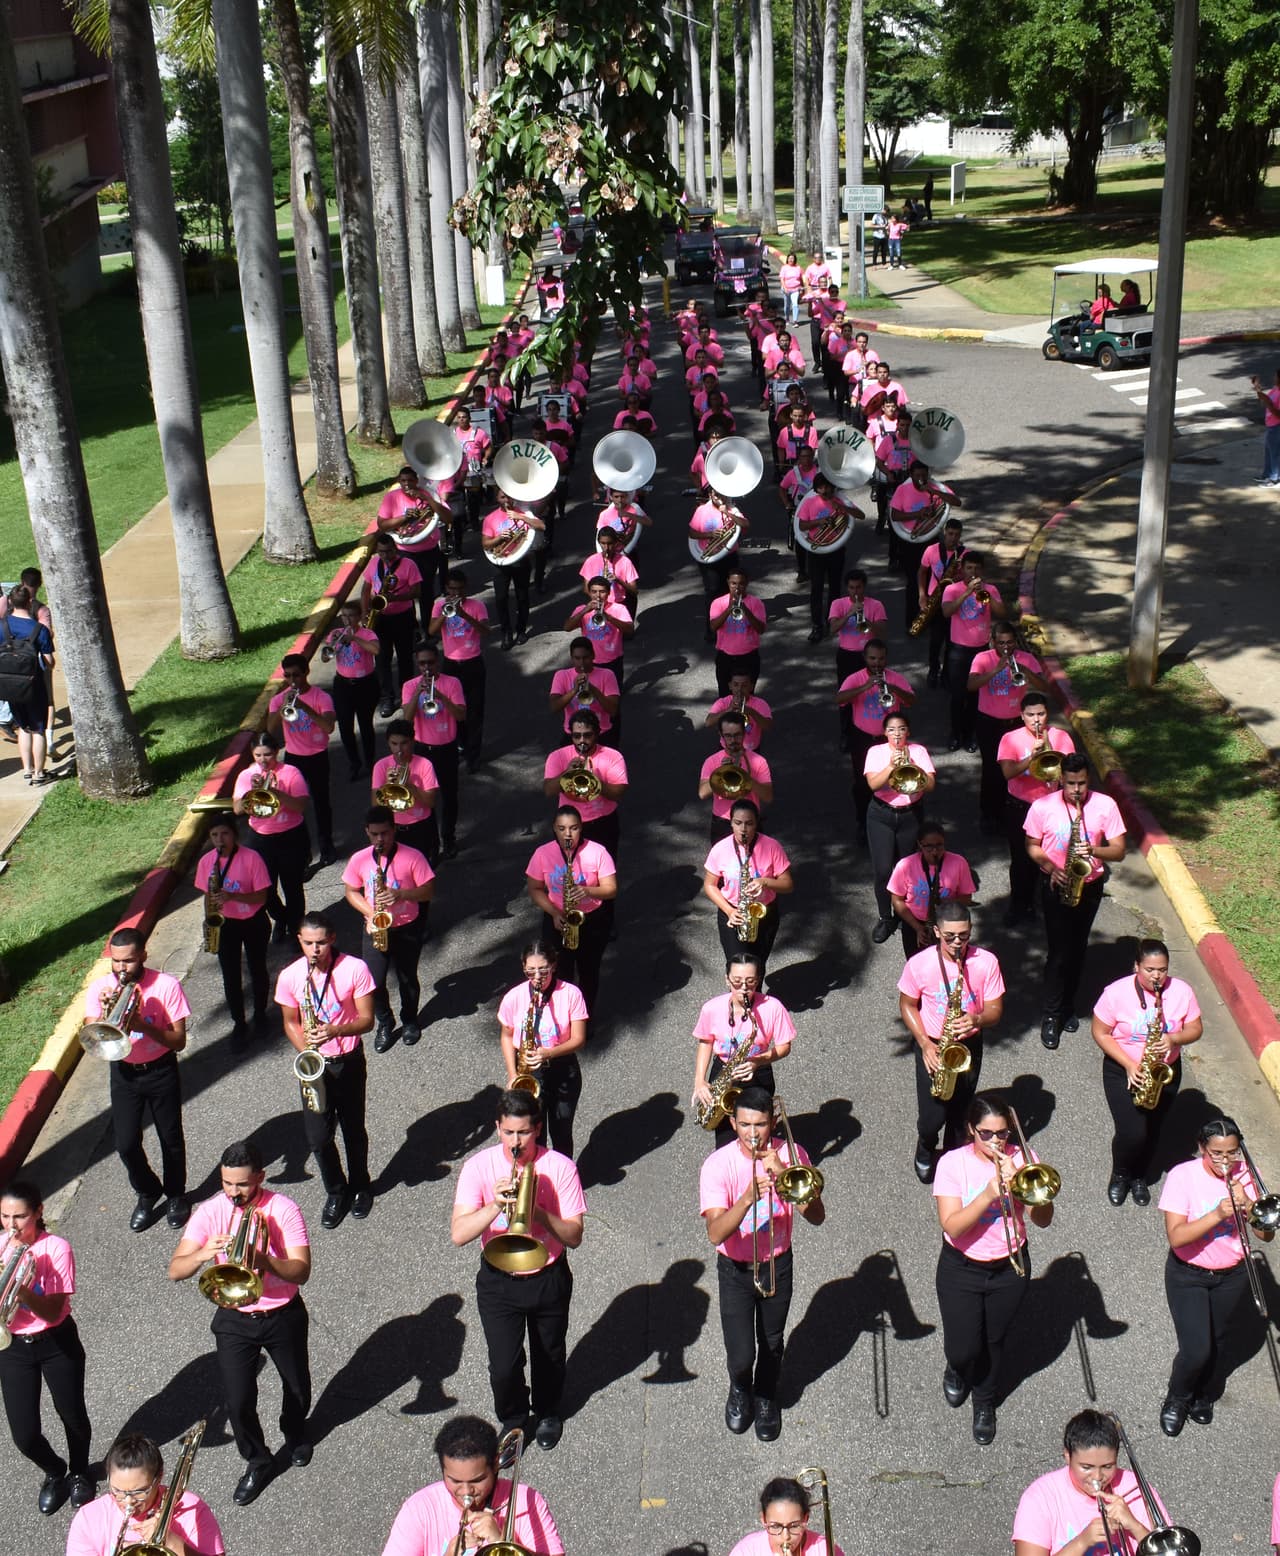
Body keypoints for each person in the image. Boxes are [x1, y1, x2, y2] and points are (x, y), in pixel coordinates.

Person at [168, 1141, 312, 1506]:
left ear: (260, 1177)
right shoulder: (210, 1210)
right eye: (227, 1184)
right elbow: (175, 1271)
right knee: (237, 1401)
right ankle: (258, 1460)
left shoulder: (283, 1210)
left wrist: (267, 1260)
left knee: (297, 1388)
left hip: (283, 1312)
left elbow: (302, 1271)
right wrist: (203, 1252)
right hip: (234, 1317)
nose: (234, 1193)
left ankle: (294, 1433)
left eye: (243, 1185)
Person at [451, 1090, 587, 1449]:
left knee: (550, 1354)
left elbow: (574, 1236)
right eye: (509, 1133)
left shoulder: (560, 1167)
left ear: (538, 1129)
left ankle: (547, 1412)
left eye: (524, 1133)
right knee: (504, 1366)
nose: (516, 1142)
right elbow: (458, 1234)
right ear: (497, 1129)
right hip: (499, 1279)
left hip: (548, 1274)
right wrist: (495, 1206)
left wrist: (539, 1213)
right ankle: (513, 1421)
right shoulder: (478, 1168)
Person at [700, 1086, 826, 1442]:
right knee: (741, 1354)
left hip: (777, 1262)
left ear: (772, 1122)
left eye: (760, 1125)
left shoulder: (793, 1153)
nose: (752, 1134)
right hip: (736, 1268)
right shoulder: (717, 1165)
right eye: (744, 1125)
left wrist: (786, 1174)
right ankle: (740, 1387)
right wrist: (745, 1199)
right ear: (732, 1122)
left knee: (771, 1342)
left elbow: (817, 1216)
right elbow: (715, 1233)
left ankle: (766, 1395)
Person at [933, 1092, 1052, 1445]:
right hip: (961, 1267)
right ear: (971, 1130)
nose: (996, 1142)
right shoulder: (952, 1164)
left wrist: (1027, 1192)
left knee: (993, 1340)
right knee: (963, 1347)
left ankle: (985, 1402)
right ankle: (957, 1367)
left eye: (1002, 1134)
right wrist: (988, 1194)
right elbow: (953, 1226)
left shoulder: (1024, 1161)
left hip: (1009, 1266)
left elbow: (1043, 1220)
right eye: (986, 1133)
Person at [1157, 1116, 1273, 1436]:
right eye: (1217, 1154)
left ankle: (1204, 1395)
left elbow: (1265, 1237)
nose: (1226, 1161)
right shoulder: (1183, 1176)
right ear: (1201, 1148)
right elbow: (1178, 1237)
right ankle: (1177, 1397)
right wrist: (1218, 1214)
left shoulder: (1247, 1175)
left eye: (1232, 1153)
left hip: (1232, 1275)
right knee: (1196, 1348)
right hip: (1188, 1274)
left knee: (1218, 1341)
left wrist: (1249, 1205)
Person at [84, 928, 191, 1232]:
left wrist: (142, 1023)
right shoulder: (100, 988)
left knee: (170, 1139)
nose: (121, 969)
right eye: (116, 961)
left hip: (160, 1070)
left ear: (143, 955)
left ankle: (175, 1195)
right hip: (124, 1072)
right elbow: (93, 1032)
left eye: (128, 961)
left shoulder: (166, 986)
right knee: (126, 1143)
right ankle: (147, 1191)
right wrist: (107, 1014)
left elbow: (179, 1041)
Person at [275, 913, 377, 1227]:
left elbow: (367, 1020)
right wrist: (306, 1051)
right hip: (315, 1066)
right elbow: (291, 1022)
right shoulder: (291, 976)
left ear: (332, 939)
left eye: (320, 942)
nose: (315, 949)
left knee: (353, 1130)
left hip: (348, 1060)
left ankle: (361, 1186)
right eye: (308, 943)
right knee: (318, 1138)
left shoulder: (354, 968)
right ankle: (336, 1191)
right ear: (300, 942)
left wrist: (334, 1031)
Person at [0, 1180, 94, 1515]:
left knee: (73, 1416)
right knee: (24, 1435)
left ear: (38, 1212)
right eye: (5, 1217)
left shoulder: (56, 1249)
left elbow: (53, 1312)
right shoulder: (1, 1246)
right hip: (13, 1346)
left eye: (20, 1217)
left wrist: (23, 1291)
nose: (12, 1226)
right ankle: (55, 1472)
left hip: (56, 1341)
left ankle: (80, 1472)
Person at [1024, 755, 1127, 1049]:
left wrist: (1094, 849)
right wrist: (1049, 867)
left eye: (1082, 783)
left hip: (1089, 886)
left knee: (1078, 950)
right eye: (1070, 784)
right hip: (1055, 884)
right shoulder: (1043, 807)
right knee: (1058, 954)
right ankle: (1051, 1015)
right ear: (1061, 781)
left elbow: (1118, 851)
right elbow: (1031, 845)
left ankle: (1068, 1006)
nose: (1076, 790)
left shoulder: (1105, 806)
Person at [1092, 939, 1203, 1207]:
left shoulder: (1181, 991)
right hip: (1123, 1070)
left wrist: (1174, 1038)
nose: (1156, 976)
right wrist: (1130, 1065)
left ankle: (1139, 1176)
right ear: (1136, 966)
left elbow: (1196, 1028)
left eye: (1162, 970)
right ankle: (1120, 1174)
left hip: (1164, 1070)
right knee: (1132, 1132)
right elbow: (1100, 1032)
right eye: (1150, 970)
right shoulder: (1116, 993)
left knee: (1153, 1128)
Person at [899, 905, 1004, 1181]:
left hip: (968, 1044)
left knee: (960, 1113)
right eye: (949, 937)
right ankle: (925, 1145)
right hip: (933, 1044)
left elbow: (995, 1009)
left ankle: (952, 1161)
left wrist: (977, 1019)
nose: (957, 943)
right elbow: (907, 1004)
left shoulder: (986, 962)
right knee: (932, 1117)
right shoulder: (919, 964)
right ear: (936, 931)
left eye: (964, 935)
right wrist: (924, 1043)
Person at [380, 1413, 563, 1556]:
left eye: (477, 1480)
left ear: (496, 1464)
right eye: (455, 1481)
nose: (466, 1492)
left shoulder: (528, 1500)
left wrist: (501, 1542)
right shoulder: (419, 1508)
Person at [342, 806, 435, 1053]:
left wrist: (401, 894)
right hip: (376, 926)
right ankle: (385, 1021)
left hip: (407, 926)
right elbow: (351, 891)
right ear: (367, 833)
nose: (380, 839)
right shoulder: (360, 859)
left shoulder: (412, 856)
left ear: (394, 830)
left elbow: (428, 890)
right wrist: (371, 913)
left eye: (385, 833)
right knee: (373, 981)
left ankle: (409, 1019)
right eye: (374, 834)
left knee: (407, 978)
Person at [1012, 1410, 1166, 1556]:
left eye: (1107, 1466)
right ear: (1067, 1455)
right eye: (1086, 1467)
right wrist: (1081, 1543)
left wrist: (1134, 1526)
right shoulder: (1040, 1497)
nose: (1097, 1477)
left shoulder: (1136, 1489)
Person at [691, 954, 795, 1147]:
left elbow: (784, 1047)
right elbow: (705, 1042)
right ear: (727, 979)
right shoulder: (711, 1008)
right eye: (737, 982)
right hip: (723, 1070)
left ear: (758, 980)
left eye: (750, 982)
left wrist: (757, 1061)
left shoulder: (773, 1007)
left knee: (757, 1138)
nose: (744, 989)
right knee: (724, 1139)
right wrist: (700, 1081)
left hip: (757, 1072)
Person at [498, 942, 589, 1159]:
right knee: (533, 1135)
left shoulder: (571, 994)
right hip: (529, 1071)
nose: (537, 976)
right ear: (523, 968)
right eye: (530, 971)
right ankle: (536, 1180)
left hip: (562, 1068)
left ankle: (564, 1177)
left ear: (554, 966)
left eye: (543, 970)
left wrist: (547, 1053)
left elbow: (579, 1039)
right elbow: (507, 1035)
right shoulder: (514, 997)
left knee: (562, 1132)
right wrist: (513, 1075)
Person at [68, 1430, 225, 1556]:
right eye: (118, 1491)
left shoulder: (193, 1510)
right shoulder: (88, 1518)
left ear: (159, 1477)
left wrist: (172, 1542)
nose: (128, 1502)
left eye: (139, 1492)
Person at [525, 809, 616, 1015]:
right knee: (558, 972)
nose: (568, 834)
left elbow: (611, 889)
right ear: (554, 830)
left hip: (592, 920)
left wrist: (586, 890)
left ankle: (585, 1018)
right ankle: (561, 1017)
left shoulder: (597, 851)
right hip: (557, 918)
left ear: (581, 828)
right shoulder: (543, 853)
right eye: (562, 829)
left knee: (588, 972)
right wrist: (555, 913)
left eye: (574, 828)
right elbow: (535, 888)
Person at [195, 812, 271, 1045]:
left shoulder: (251, 858)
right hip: (225, 924)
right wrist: (210, 920)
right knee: (230, 976)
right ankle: (239, 1022)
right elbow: (208, 895)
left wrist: (233, 895)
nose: (220, 839)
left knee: (257, 968)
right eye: (215, 835)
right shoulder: (207, 862)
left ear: (235, 834)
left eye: (225, 833)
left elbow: (262, 897)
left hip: (252, 920)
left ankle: (260, 1014)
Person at [967, 624, 1048, 834]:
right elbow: (971, 685)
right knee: (992, 770)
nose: (1006, 647)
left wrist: (1024, 670)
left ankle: (1007, 812)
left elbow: (1044, 686)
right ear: (993, 641)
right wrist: (995, 670)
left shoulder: (1026, 658)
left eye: (1010, 642)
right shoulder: (982, 658)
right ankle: (988, 813)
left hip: (1016, 725)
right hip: (989, 722)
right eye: (1001, 643)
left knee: (1015, 770)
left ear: (1015, 641)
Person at [865, 713, 936, 943]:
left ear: (908, 732)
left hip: (910, 815)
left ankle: (906, 913)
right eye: (892, 730)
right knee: (884, 870)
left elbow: (932, 785)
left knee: (908, 868)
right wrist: (891, 766)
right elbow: (873, 785)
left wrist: (912, 766)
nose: (897, 734)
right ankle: (886, 917)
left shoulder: (918, 751)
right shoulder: (875, 753)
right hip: (881, 814)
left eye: (902, 729)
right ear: (885, 733)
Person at [233, 731, 310, 941]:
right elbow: (238, 809)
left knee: (292, 887)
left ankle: (296, 931)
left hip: (291, 837)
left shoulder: (290, 772)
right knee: (264, 889)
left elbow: (301, 806)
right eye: (258, 755)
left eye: (267, 755)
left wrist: (278, 794)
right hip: (260, 839)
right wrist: (251, 792)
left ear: (276, 751)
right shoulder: (247, 776)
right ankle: (282, 917)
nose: (263, 760)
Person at [703, 799, 793, 978]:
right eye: (738, 823)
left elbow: (788, 884)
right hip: (733, 913)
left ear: (757, 823)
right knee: (737, 968)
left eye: (749, 823)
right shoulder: (720, 849)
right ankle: (737, 1004)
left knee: (756, 969)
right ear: (731, 822)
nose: (743, 829)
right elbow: (709, 885)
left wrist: (765, 882)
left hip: (764, 913)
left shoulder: (771, 846)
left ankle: (755, 1003)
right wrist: (729, 910)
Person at [836, 638, 915, 837]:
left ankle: (892, 821)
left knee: (892, 779)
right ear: (865, 658)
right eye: (872, 658)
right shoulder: (855, 678)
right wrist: (865, 687)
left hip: (888, 739)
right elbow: (839, 699)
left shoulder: (895, 677)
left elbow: (912, 701)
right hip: (862, 738)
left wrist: (893, 689)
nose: (876, 663)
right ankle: (863, 823)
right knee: (862, 783)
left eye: (880, 659)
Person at [268, 653, 337, 867]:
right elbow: (269, 729)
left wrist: (305, 708)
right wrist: (282, 709)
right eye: (287, 676)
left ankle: (327, 847)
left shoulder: (321, 697)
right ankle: (305, 851)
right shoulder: (279, 700)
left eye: (296, 675)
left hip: (317, 756)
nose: (292, 681)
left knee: (321, 804)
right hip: (293, 758)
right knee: (295, 807)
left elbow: (328, 727)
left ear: (306, 672)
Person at [400, 641, 466, 859]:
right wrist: (418, 694)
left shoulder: (452, 683)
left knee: (449, 797)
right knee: (425, 797)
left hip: (446, 748)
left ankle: (449, 838)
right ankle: (432, 843)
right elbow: (406, 719)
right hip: (421, 750)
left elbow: (461, 715)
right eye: (422, 664)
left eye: (430, 662)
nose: (426, 667)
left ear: (437, 661)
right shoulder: (410, 686)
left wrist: (441, 697)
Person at [542, 710, 628, 862]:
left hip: (603, 824)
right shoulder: (557, 756)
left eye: (587, 735)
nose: (582, 741)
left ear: (597, 733)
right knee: (570, 870)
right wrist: (567, 773)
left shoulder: (613, 756)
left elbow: (619, 793)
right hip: (569, 825)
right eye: (576, 736)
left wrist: (595, 781)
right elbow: (549, 791)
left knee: (604, 872)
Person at [428, 568, 489, 771]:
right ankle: (462, 743)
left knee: (474, 711)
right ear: (446, 588)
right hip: (450, 664)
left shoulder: (477, 606)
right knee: (453, 710)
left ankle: (474, 755)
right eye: (452, 589)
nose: (456, 594)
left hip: (473, 663)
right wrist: (445, 614)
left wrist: (465, 615)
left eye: (460, 590)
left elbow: (486, 631)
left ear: (466, 588)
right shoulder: (439, 606)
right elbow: (431, 631)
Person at [888, 819, 977, 958]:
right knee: (916, 964)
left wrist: (945, 905)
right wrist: (917, 927)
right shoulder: (905, 865)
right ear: (919, 844)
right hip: (915, 924)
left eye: (939, 845)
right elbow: (897, 900)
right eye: (928, 846)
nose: (935, 851)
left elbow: (966, 897)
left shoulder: (959, 863)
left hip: (946, 923)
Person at [376, 465, 450, 630]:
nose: (407, 484)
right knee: (404, 592)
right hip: (403, 553)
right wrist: (404, 518)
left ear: (417, 481)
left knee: (426, 592)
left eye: (410, 480)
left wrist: (428, 500)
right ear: (398, 481)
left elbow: (447, 517)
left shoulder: (429, 493)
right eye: (403, 481)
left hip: (428, 552)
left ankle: (427, 629)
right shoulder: (391, 498)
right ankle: (412, 629)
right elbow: (382, 525)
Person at [361, 533, 422, 717]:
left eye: (388, 551)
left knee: (404, 659)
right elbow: (365, 589)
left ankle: (407, 697)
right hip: (380, 618)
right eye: (381, 552)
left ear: (395, 549)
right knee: (382, 660)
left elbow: (417, 591)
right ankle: (387, 698)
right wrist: (365, 613)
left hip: (403, 617)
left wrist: (396, 597)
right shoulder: (374, 564)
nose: (385, 556)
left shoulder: (408, 565)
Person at [0, 583, 55, 783]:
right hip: (34, 684)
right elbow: (49, 662)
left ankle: (27, 769)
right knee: (38, 728)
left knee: (23, 727)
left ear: (10, 603)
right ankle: (40, 774)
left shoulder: (2, 626)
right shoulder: (38, 630)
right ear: (29, 602)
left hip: (10, 684)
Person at [321, 601, 380, 779]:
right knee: (346, 727)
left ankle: (370, 763)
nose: (347, 619)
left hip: (366, 684)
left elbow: (376, 650)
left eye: (351, 616)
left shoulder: (367, 633)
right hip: (343, 685)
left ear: (359, 616)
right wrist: (332, 644)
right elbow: (325, 658)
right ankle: (354, 763)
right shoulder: (335, 634)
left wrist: (354, 638)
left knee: (365, 725)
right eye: (344, 616)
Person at [482, 492, 547, 649]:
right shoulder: (490, 518)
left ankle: (521, 630)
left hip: (521, 560)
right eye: (502, 497)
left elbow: (542, 526)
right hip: (501, 561)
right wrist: (499, 538)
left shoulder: (523, 513)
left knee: (522, 597)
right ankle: (506, 632)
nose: (506, 500)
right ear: (497, 499)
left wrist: (521, 517)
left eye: (509, 497)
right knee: (501, 598)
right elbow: (485, 544)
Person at [372, 718, 440, 865]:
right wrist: (387, 785)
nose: (399, 750)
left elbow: (431, 802)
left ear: (412, 741)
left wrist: (410, 786)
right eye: (394, 744)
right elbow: (375, 806)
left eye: (404, 743)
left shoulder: (425, 764)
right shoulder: (381, 766)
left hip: (420, 827)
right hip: (393, 829)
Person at [699, 711, 774, 839]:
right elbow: (702, 794)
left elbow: (768, 797)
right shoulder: (711, 761)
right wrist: (720, 772)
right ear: (721, 735)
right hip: (723, 821)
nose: (733, 740)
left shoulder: (759, 761)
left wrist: (746, 778)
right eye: (728, 736)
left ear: (744, 733)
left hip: (749, 820)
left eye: (737, 735)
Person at [729, 1476, 847, 1556]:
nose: (786, 1537)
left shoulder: (824, 1550)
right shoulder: (746, 1551)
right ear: (763, 1520)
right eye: (776, 1526)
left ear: (805, 1519)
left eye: (794, 1526)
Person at [917, 517, 967, 686]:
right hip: (936, 600)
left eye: (957, 535)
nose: (953, 538)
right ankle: (933, 669)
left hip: (955, 602)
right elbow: (922, 572)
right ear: (944, 532)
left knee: (951, 641)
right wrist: (922, 595)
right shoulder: (931, 550)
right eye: (950, 534)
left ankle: (946, 673)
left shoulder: (964, 554)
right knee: (936, 640)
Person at [710, 568, 767, 696]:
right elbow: (713, 627)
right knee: (725, 694)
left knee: (748, 696)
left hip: (749, 657)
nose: (737, 587)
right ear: (728, 583)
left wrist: (746, 610)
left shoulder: (756, 603)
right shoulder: (718, 603)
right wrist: (728, 610)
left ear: (746, 584)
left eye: (741, 583)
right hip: (725, 658)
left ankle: (745, 717)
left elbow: (761, 629)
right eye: (733, 583)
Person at [704, 672, 773, 753]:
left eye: (744, 686)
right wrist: (728, 710)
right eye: (736, 685)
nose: (739, 689)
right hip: (727, 749)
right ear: (730, 686)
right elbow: (708, 723)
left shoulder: (760, 704)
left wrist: (751, 712)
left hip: (751, 751)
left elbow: (768, 726)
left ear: (751, 687)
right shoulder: (722, 702)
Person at [1250, 367, 1280, 486]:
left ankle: (1274, 478)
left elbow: (1277, 413)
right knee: (1269, 452)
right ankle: (1267, 475)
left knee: (1275, 453)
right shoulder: (1276, 389)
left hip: (1277, 427)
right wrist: (1257, 388)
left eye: (1276, 376)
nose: (1274, 378)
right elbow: (1264, 400)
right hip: (1271, 426)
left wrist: (1267, 402)